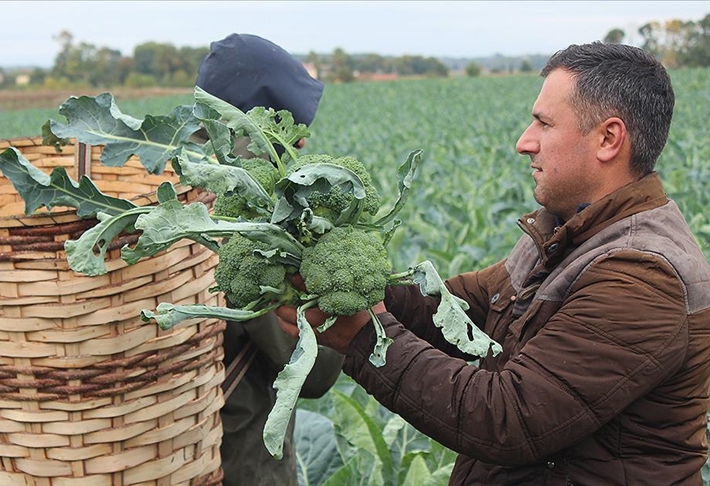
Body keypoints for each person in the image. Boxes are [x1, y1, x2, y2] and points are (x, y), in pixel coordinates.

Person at [275, 42, 710, 485]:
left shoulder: (641, 276)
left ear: (608, 139)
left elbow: (510, 418)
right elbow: (463, 309)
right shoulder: (570, 230)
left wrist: (366, 338)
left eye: (543, 123)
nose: (525, 142)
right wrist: (343, 281)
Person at [194, 33, 345, 486]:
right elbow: (314, 372)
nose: (299, 150)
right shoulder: (245, 225)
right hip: (236, 465)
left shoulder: (152, 194)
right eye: (292, 135)